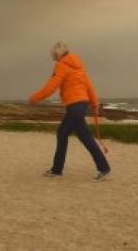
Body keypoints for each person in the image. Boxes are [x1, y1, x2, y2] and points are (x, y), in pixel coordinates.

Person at [29, 41, 111, 181]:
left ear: (57, 54)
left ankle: (103, 168)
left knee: (82, 137)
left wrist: (35, 98)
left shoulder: (61, 66)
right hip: (81, 105)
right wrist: (94, 103)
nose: (54, 58)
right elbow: (88, 86)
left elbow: (51, 86)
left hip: (75, 106)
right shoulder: (78, 66)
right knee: (64, 134)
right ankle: (57, 169)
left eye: (54, 56)